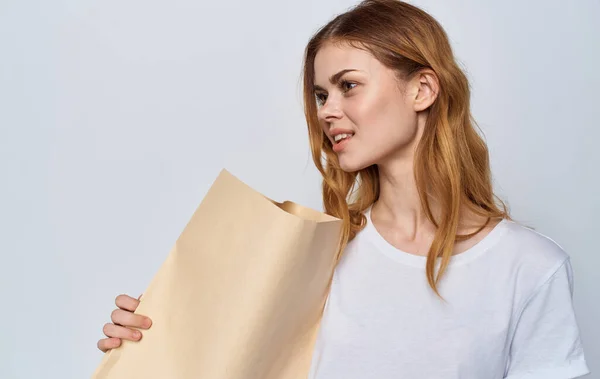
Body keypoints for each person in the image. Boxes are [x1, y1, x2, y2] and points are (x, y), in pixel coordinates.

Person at [96, 0, 590, 377]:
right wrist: (150, 337)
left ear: (423, 89)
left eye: (348, 85)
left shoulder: (531, 268)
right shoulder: (315, 256)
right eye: (319, 94)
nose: (327, 110)